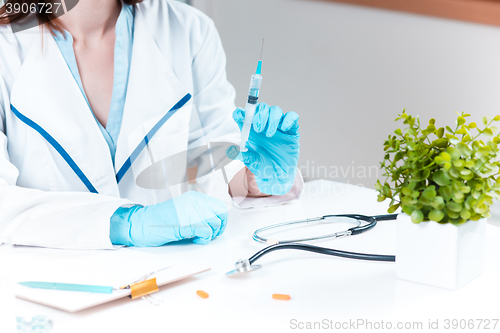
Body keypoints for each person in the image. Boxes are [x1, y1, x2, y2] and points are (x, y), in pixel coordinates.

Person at [0, 0, 302, 249]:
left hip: (169, 284)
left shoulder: (189, 31)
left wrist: (254, 177)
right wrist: (126, 223)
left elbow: (211, 159)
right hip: (46, 292)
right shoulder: (6, 47)